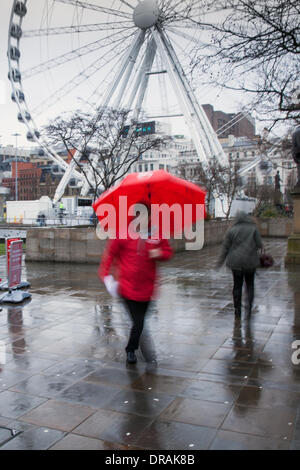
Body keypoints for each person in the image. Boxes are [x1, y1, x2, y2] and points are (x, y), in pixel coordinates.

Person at [99, 202, 173, 364]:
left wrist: (159, 252)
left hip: (148, 288)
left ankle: (133, 348)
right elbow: (109, 255)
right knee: (139, 322)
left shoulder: (156, 234)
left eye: (146, 215)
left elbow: (168, 252)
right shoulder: (123, 234)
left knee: (139, 322)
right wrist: (106, 277)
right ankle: (132, 350)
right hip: (127, 288)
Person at [216, 211, 263, 318]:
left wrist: (219, 263)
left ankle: (237, 310)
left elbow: (225, 248)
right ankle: (249, 308)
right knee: (250, 285)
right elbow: (260, 244)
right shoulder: (253, 228)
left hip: (235, 262)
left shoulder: (231, 230)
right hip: (250, 262)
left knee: (237, 286)